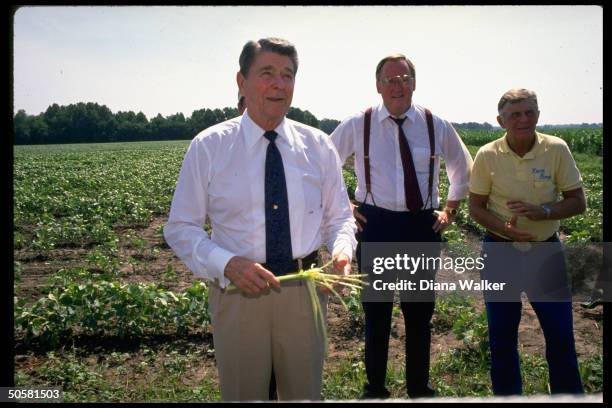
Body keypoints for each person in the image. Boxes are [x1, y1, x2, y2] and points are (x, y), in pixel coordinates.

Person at [164, 37, 357, 401]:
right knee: (244, 394)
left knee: (304, 393)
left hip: (305, 290)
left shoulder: (318, 146)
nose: (279, 84)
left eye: (287, 75)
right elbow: (181, 227)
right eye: (267, 73)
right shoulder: (209, 146)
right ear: (241, 81)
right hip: (238, 292)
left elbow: (340, 218)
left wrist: (342, 252)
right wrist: (228, 264)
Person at [330, 54, 473, 399]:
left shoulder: (434, 123)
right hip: (375, 224)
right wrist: (343, 203)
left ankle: (418, 388)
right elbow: (323, 165)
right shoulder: (357, 124)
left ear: (414, 83)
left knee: (419, 315)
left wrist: (450, 209)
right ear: (378, 85)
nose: (398, 85)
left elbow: (463, 167)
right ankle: (375, 388)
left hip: (420, 226)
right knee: (376, 316)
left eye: (404, 78)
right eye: (390, 79)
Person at [468, 88, 585, 395]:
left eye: (530, 112)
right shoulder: (487, 155)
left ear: (538, 114)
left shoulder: (556, 149)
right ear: (500, 121)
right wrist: (507, 231)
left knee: (560, 336)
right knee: (502, 338)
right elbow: (476, 207)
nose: (524, 119)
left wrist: (544, 210)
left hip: (546, 252)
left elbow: (577, 201)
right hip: (499, 254)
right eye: (515, 114)